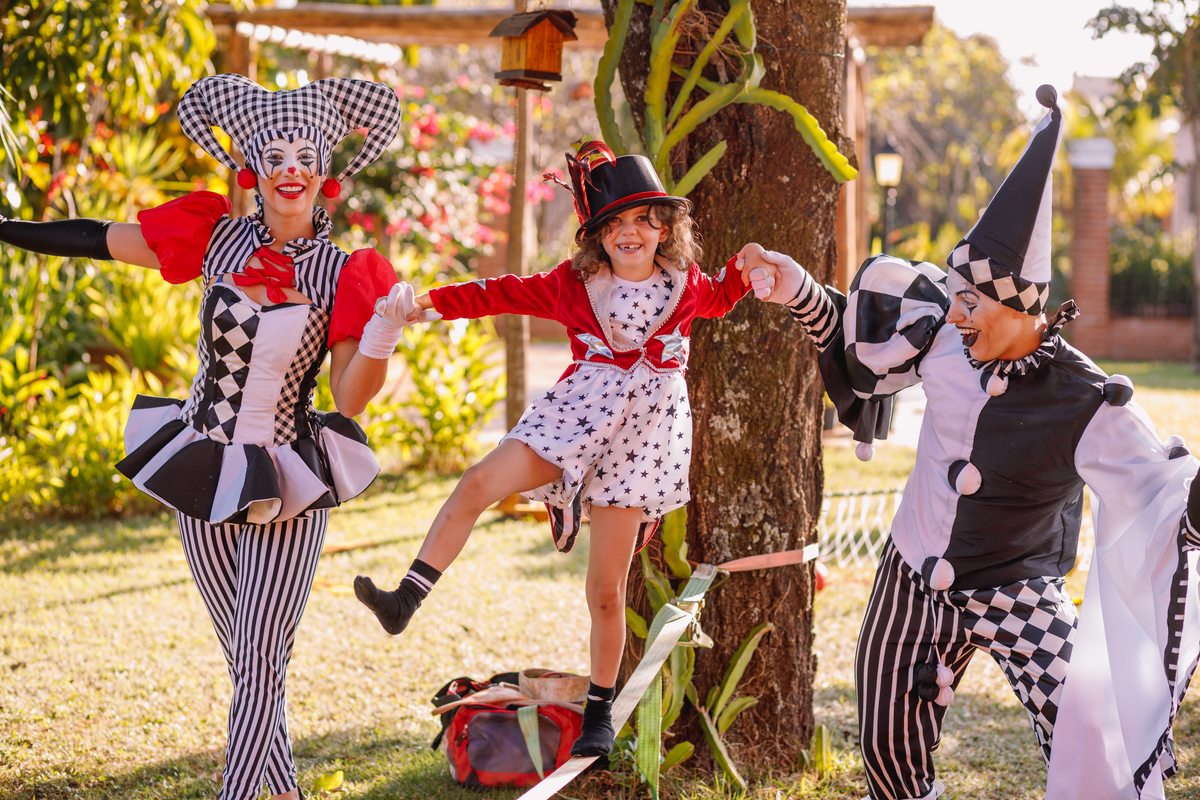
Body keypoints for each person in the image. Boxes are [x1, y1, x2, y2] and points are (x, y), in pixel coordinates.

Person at [741, 85, 1200, 800]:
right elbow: (854, 334)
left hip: (1019, 586)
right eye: (954, 298)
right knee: (885, 737)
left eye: (970, 302)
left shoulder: (1088, 400)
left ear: (1021, 307)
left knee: (1089, 724)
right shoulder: (943, 336)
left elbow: (1158, 487)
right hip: (912, 575)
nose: (953, 315)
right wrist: (794, 285)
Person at [0, 73, 416, 800]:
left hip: (289, 474)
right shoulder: (214, 238)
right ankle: (280, 788)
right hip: (201, 466)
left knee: (259, 656)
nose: (291, 169)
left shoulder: (348, 270)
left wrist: (380, 332)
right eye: (276, 155)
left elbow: (350, 397)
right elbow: (96, 240)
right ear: (254, 168)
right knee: (249, 660)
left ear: (323, 173)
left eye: (305, 155)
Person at [353, 140, 751, 757]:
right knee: (478, 482)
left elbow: (725, 294)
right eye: (613, 223)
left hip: (644, 439)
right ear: (596, 236)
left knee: (605, 588)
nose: (628, 233)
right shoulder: (574, 284)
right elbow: (497, 291)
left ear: (664, 227)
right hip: (577, 414)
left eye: (642, 220)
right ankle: (406, 597)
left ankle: (598, 712)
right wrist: (421, 307)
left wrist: (752, 269)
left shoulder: (687, 285)